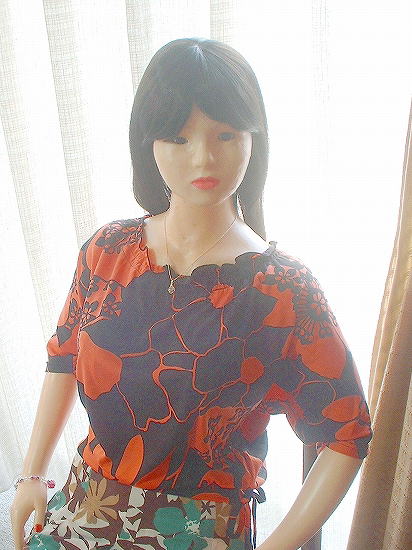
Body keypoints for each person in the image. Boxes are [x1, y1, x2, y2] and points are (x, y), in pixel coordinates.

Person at [10, 37, 373, 550]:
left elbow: (346, 433)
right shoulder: (108, 252)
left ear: (254, 139)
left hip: (200, 528)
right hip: (87, 504)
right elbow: (64, 353)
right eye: (178, 138)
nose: (204, 157)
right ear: (148, 144)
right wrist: (31, 474)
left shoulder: (281, 291)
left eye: (225, 134)